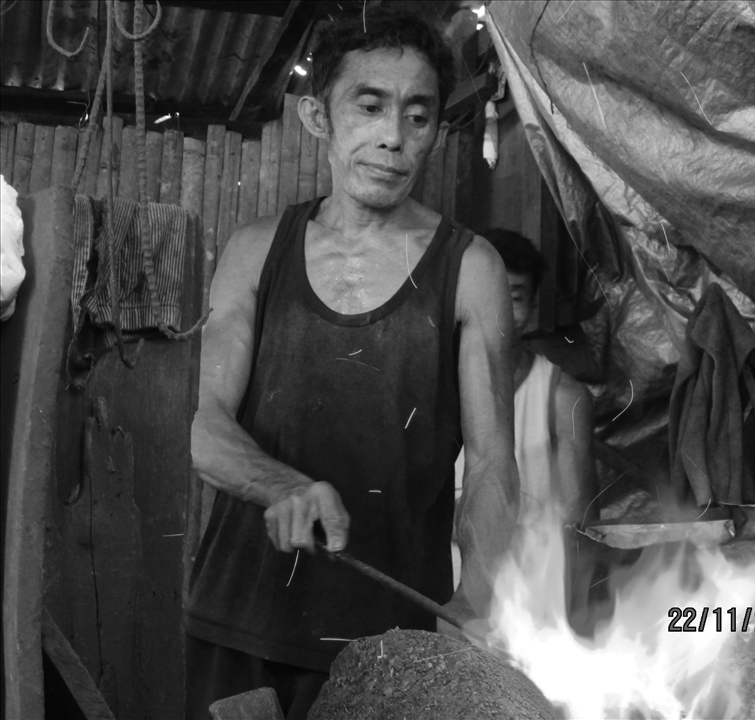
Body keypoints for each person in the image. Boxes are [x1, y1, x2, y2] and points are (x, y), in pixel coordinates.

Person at [184, 9, 520, 719]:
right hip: (237, 619)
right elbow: (205, 430)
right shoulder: (255, 251)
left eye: (418, 116)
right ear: (318, 117)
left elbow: (491, 464)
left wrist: (481, 591)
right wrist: (283, 485)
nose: (394, 137)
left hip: (388, 649)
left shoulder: (471, 269)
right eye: (369, 106)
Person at [451, 229, 598, 615]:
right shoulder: (422, 391)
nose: (495, 308)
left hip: (526, 607)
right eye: (487, 293)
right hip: (435, 601)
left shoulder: (562, 397)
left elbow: (578, 522)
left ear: (532, 307)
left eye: (512, 298)